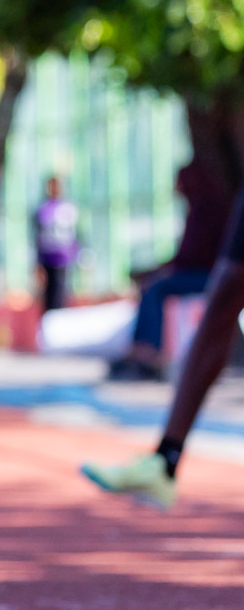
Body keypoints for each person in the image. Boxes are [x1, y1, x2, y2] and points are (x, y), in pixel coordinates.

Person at [82, 179, 244, 509]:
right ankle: (165, 460)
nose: (178, 182)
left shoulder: (209, 207)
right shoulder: (199, 209)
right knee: (225, 290)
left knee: (224, 287)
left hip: (197, 270)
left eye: (185, 176)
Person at [106, 159, 232, 381]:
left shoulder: (206, 212)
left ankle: (148, 353)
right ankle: (140, 348)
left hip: (211, 277)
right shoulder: (197, 209)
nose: (177, 187)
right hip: (202, 272)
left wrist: (159, 272)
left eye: (180, 181)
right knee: (152, 285)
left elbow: (193, 258)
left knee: (156, 288)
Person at [34, 175, 78, 313]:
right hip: (47, 258)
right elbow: (38, 236)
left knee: (62, 293)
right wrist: (38, 262)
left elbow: (74, 235)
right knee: (48, 296)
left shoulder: (67, 208)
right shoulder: (42, 209)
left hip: (63, 258)